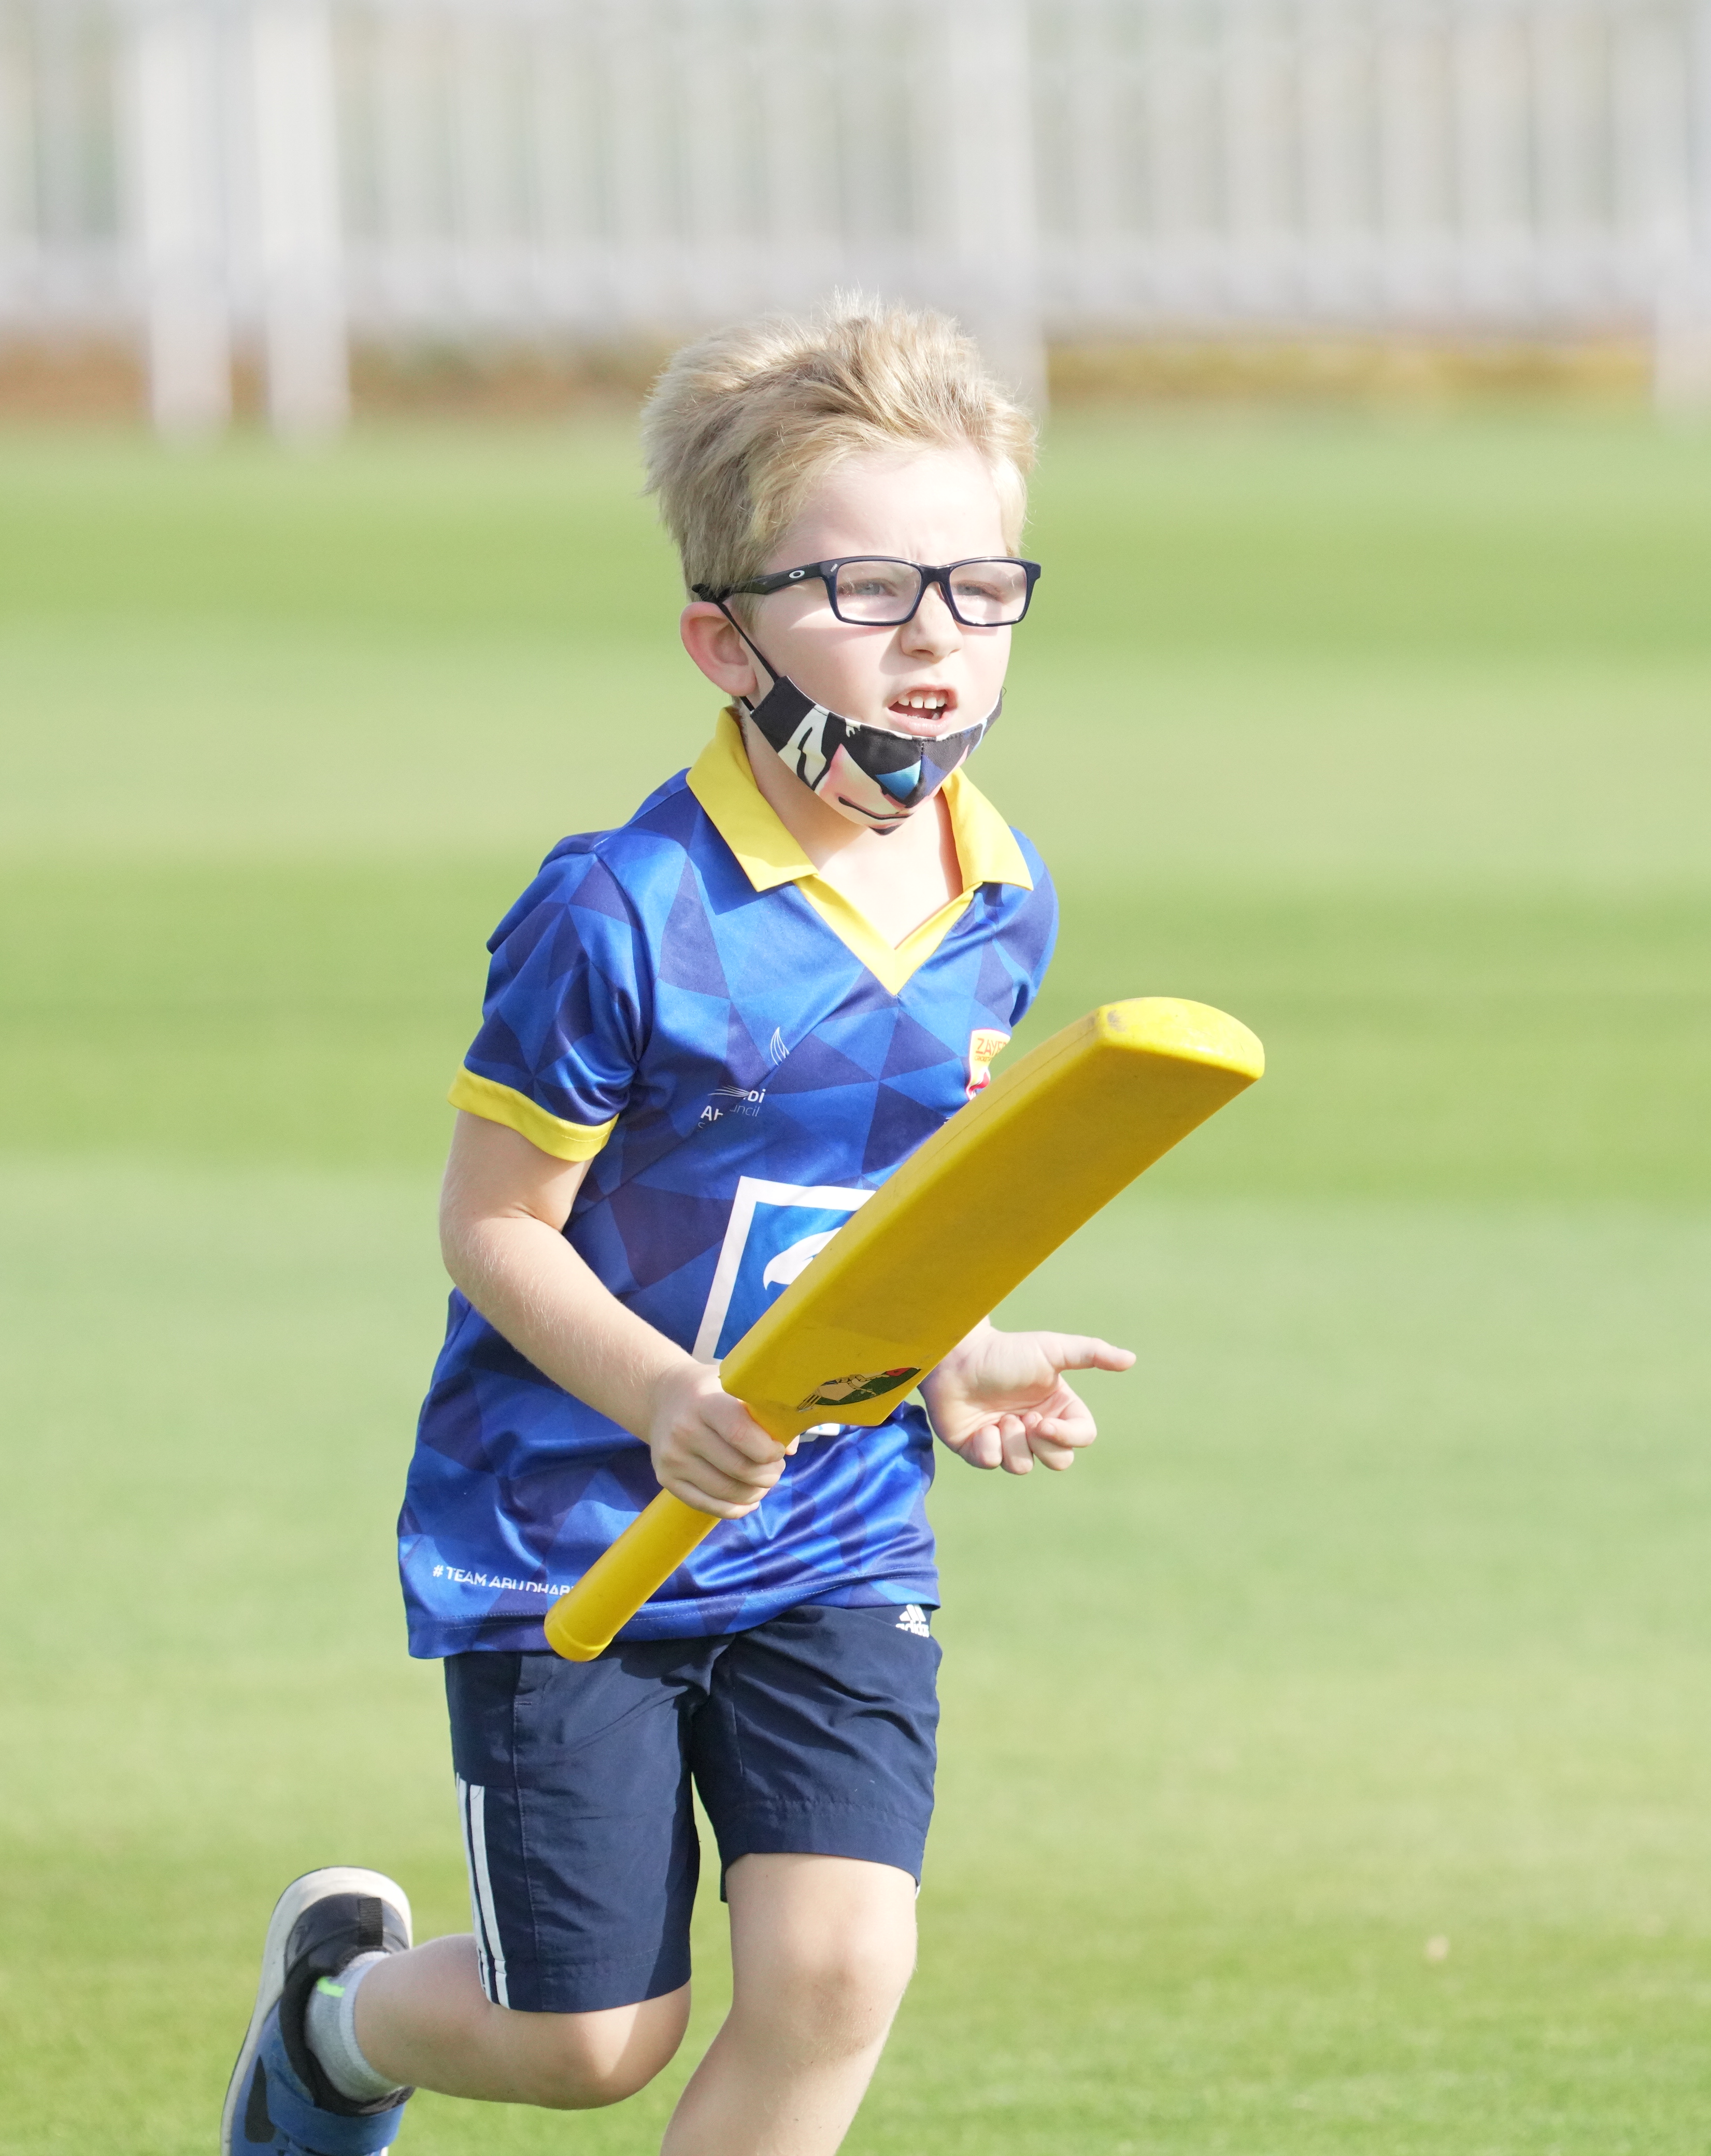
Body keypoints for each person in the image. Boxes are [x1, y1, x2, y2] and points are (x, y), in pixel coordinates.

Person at [223, 295, 1132, 2156]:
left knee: (836, 1974)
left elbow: (896, 1199)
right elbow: (494, 1229)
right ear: (724, 639)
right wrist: (659, 1399)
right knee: (590, 2043)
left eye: (980, 583)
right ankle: (331, 2028)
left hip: (829, 1516)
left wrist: (959, 1354)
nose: (937, 640)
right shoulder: (623, 916)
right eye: (869, 590)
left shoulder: (1001, 895)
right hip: (577, 1530)